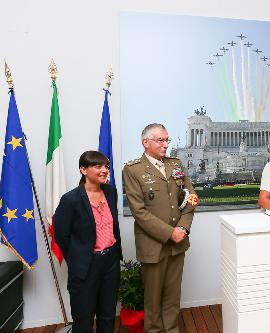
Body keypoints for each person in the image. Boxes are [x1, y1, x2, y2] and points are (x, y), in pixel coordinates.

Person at [123, 123, 198, 333]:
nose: (166, 144)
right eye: (160, 140)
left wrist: (182, 229)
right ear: (145, 142)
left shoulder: (176, 165)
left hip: (178, 242)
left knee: (173, 297)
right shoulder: (133, 169)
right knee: (153, 299)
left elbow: (191, 198)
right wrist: (170, 233)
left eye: (167, 140)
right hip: (153, 244)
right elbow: (139, 212)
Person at [54, 151, 122, 333]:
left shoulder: (111, 192)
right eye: (97, 166)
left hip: (110, 262)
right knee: (83, 320)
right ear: (83, 170)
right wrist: (79, 259)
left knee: (108, 315)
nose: (104, 170)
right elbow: (61, 235)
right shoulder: (70, 200)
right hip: (86, 265)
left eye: (106, 166)